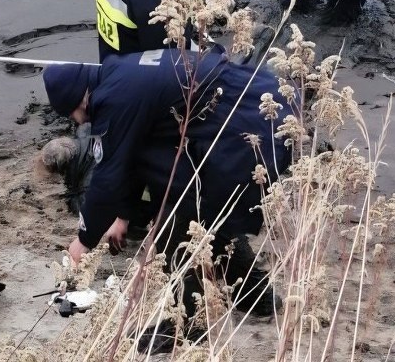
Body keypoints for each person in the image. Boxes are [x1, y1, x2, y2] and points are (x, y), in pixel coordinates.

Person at [42, 46, 294, 318]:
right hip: (249, 102)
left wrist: (83, 240)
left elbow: (108, 178)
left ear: (76, 102)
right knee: (198, 211)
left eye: (71, 115)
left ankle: (189, 326)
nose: (76, 121)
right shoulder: (118, 73)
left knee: (178, 224)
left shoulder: (113, 98)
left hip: (245, 127)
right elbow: (134, 156)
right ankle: (256, 299)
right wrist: (123, 216)